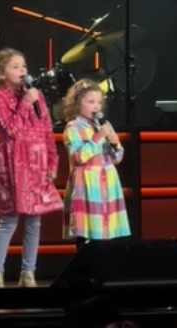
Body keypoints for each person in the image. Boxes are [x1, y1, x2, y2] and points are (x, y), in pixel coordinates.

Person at [0, 47, 63, 288]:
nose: (22, 71)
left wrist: (52, 161)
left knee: (34, 221)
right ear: (1, 74)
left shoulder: (35, 95)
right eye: (16, 67)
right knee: (9, 219)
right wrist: (26, 104)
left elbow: (47, 130)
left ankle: (28, 273)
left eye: (24, 66)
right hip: (13, 163)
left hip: (37, 163)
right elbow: (11, 130)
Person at [61, 79, 130, 250]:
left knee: (106, 233)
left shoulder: (105, 126)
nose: (96, 106)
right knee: (87, 233)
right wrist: (98, 137)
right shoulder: (73, 127)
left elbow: (117, 158)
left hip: (107, 182)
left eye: (99, 102)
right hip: (87, 185)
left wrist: (114, 144)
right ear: (78, 104)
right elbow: (79, 157)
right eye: (90, 102)